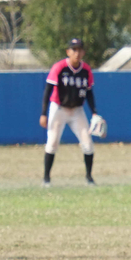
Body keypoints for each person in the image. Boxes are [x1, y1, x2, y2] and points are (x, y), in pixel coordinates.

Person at [40, 37, 100, 186]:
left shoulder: (86, 70)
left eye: (79, 49)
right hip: (59, 109)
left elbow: (89, 92)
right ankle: (46, 179)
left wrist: (94, 112)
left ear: (83, 52)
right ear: (68, 51)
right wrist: (43, 113)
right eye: (74, 49)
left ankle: (89, 178)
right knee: (52, 143)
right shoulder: (59, 67)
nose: (77, 53)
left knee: (88, 144)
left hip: (77, 110)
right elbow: (47, 90)